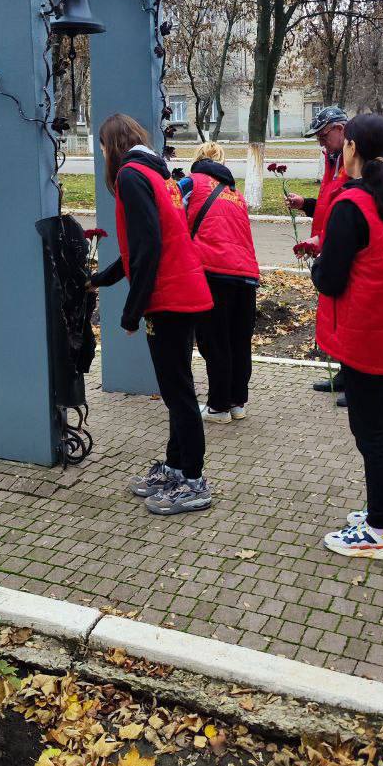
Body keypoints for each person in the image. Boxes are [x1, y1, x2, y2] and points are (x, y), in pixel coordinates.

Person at [311, 113, 383, 561]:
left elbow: (331, 279)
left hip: (366, 334)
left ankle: (377, 532)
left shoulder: (351, 205)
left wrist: (317, 266)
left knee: (372, 432)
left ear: (351, 147)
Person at [92, 113, 213, 515]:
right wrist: (101, 280)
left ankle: (194, 481)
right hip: (183, 291)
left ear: (111, 145)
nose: (103, 155)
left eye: (102, 147)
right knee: (176, 390)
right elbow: (147, 244)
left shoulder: (130, 176)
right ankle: (177, 467)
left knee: (178, 393)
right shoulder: (156, 174)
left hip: (170, 298)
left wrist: (133, 312)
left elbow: (148, 248)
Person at [178, 141, 260, 423]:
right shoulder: (235, 193)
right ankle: (238, 403)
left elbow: (172, 215)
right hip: (245, 274)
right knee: (239, 341)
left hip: (212, 272)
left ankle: (218, 407)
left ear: (198, 159)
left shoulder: (190, 183)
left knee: (215, 340)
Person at [285, 105, 349, 400]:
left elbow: (351, 214)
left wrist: (322, 239)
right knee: (336, 316)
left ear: (340, 129)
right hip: (330, 246)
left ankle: (358, 382)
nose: (321, 143)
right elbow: (330, 205)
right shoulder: (333, 159)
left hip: (343, 249)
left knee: (348, 317)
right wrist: (307, 204)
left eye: (324, 136)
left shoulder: (355, 163)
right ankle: (346, 374)